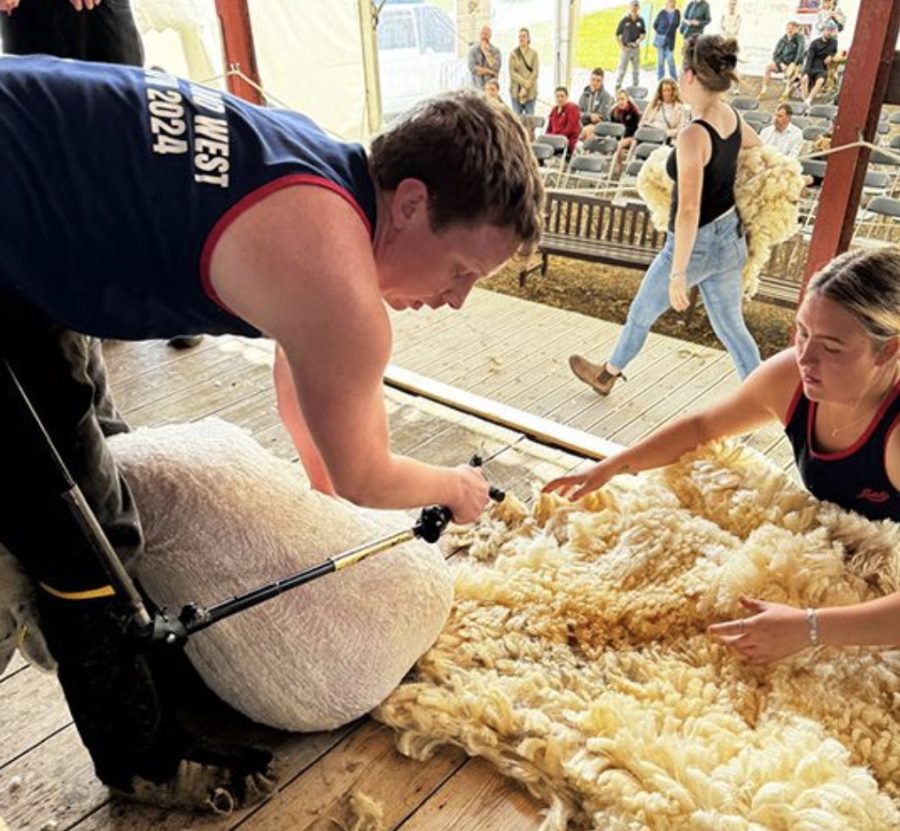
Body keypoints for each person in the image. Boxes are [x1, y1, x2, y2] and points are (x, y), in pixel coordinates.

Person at [0, 57, 544, 810]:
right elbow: (365, 473)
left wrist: (323, 504)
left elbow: (304, 384)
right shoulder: (342, 290)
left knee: (97, 432)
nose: (455, 301)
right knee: (87, 531)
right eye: (461, 271)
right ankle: (139, 756)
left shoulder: (324, 178)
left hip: (33, 213)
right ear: (413, 202)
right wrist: (455, 488)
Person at [547, 246, 900, 665]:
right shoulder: (790, 377)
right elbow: (702, 429)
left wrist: (810, 627)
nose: (805, 357)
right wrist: (613, 467)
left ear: (888, 350)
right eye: (802, 332)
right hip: (835, 564)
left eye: (832, 347)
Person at [569, 34, 762, 395]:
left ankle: (606, 375)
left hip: (693, 246)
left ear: (689, 76)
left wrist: (678, 274)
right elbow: (756, 146)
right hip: (729, 240)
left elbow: (688, 210)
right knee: (733, 330)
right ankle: (767, 399)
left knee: (641, 314)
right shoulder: (731, 116)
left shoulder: (693, 135)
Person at [759, 21, 805, 100]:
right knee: (768, 67)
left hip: (794, 64)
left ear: (797, 29)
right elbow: (775, 55)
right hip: (782, 63)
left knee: (792, 71)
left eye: (793, 29)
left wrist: (793, 63)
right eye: (789, 28)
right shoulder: (782, 40)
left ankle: (786, 92)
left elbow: (800, 54)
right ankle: (764, 90)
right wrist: (780, 63)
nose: (790, 30)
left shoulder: (800, 39)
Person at [799, 20, 838, 106]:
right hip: (812, 65)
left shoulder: (834, 42)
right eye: (827, 30)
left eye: (831, 31)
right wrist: (806, 72)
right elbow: (809, 58)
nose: (829, 33)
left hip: (822, 67)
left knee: (820, 81)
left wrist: (831, 56)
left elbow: (834, 51)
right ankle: (805, 100)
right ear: (823, 30)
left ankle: (809, 99)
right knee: (804, 79)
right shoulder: (815, 43)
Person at [615, 0, 647, 92]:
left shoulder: (640, 20)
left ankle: (635, 87)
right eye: (633, 6)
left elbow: (643, 33)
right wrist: (621, 46)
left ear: (638, 8)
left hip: (635, 48)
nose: (634, 8)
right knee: (622, 70)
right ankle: (617, 87)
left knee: (636, 70)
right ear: (630, 7)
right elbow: (617, 34)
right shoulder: (625, 20)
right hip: (626, 48)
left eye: (636, 6)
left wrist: (639, 40)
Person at [578, 67, 615, 142]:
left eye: (598, 81)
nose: (594, 83)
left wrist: (588, 116)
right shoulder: (584, 94)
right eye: (593, 80)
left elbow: (601, 116)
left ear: (602, 82)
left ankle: (586, 149)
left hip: (601, 126)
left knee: (588, 130)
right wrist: (589, 115)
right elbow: (578, 112)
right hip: (584, 123)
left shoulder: (606, 96)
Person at [611, 88, 643, 173]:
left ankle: (620, 167)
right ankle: (619, 167)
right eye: (618, 100)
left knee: (619, 144)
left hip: (631, 137)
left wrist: (622, 134)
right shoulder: (614, 112)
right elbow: (613, 126)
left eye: (622, 99)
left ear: (627, 99)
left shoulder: (634, 112)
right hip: (619, 137)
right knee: (619, 147)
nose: (620, 102)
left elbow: (635, 129)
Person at [509, 27, 539, 116]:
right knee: (516, 118)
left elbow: (535, 72)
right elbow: (512, 72)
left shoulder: (534, 53)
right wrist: (524, 82)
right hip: (516, 91)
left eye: (523, 36)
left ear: (528, 38)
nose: (521, 38)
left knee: (530, 118)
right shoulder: (513, 53)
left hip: (530, 91)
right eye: (519, 36)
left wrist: (526, 87)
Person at [547, 85, 581, 155]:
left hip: (566, 140)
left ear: (567, 97)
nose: (560, 99)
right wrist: (548, 137)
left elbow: (570, 128)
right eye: (557, 96)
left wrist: (556, 137)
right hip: (554, 139)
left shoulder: (572, 108)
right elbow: (549, 128)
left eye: (562, 96)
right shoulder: (554, 110)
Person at [653, 0, 681, 81]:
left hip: (670, 40)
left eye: (672, 1)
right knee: (660, 61)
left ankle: (674, 79)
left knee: (670, 60)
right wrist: (661, 32)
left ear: (675, 2)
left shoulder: (677, 12)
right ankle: (660, 79)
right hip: (660, 39)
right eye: (669, 1)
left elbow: (677, 24)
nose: (671, 3)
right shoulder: (662, 12)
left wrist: (667, 32)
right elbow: (655, 25)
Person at [468, 24, 501, 90]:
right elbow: (472, 68)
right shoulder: (472, 50)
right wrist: (490, 72)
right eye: (482, 34)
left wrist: (486, 53)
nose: (484, 36)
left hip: (490, 89)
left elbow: (495, 67)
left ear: (490, 35)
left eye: (486, 34)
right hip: (476, 88)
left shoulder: (496, 51)